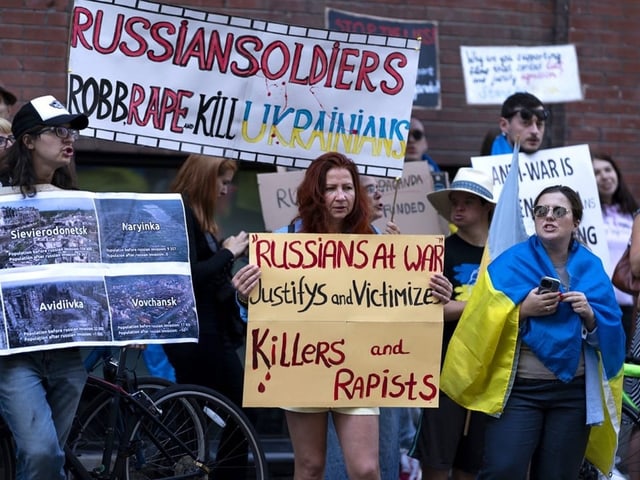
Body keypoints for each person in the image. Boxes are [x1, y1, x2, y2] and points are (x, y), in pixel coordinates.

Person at [233, 152, 451, 480]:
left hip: (358, 368)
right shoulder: (283, 241)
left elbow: (401, 307)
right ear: (314, 193)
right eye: (331, 188)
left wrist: (433, 294)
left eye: (348, 187)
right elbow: (257, 315)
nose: (340, 196)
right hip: (302, 366)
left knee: (365, 469)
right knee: (310, 467)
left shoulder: (375, 241)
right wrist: (244, 296)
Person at [441, 185, 625, 479]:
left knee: (557, 475)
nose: (548, 217)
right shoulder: (511, 262)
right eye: (541, 211)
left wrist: (590, 316)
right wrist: (522, 310)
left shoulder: (592, 267)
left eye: (558, 211)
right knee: (503, 470)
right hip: (519, 391)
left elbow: (613, 333)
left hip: (573, 394)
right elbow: (478, 320)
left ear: (575, 221)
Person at [0, 94, 90, 479]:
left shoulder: (78, 202)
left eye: (70, 131)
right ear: (29, 141)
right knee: (41, 455)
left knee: (50, 455)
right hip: (14, 353)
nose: (67, 138)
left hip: (68, 351)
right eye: (56, 130)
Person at [162, 154, 249, 478]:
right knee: (240, 406)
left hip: (208, 331)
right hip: (199, 333)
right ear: (204, 179)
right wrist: (229, 252)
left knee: (195, 412)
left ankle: (188, 469)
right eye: (222, 182)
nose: (226, 190)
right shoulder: (181, 213)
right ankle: (223, 472)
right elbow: (189, 276)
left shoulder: (197, 216)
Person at [411, 168, 495, 480]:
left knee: (470, 468)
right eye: (454, 202)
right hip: (444, 372)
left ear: (487, 207)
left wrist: (459, 307)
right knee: (436, 463)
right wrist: (485, 306)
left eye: (468, 202)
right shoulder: (438, 250)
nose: (458, 208)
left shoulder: (504, 254)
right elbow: (427, 311)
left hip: (489, 372)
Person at [592, 152, 638, 341]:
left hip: (630, 302)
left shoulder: (632, 213)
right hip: (598, 303)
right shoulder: (585, 216)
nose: (604, 176)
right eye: (596, 172)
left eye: (608, 170)